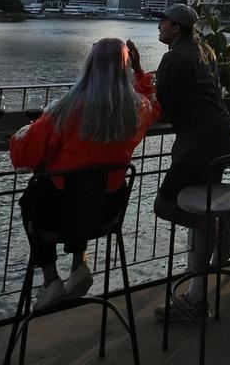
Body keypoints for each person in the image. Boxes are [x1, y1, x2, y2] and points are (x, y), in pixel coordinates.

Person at [10, 38, 159, 310]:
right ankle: (80, 263)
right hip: (106, 212)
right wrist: (139, 71)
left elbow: (24, 155)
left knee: (38, 196)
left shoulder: (67, 108)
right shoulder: (137, 110)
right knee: (84, 186)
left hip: (57, 213)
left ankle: (50, 279)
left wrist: (22, 134)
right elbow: (153, 103)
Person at [151, 3, 230, 321]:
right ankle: (195, 300)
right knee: (203, 203)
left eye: (163, 22)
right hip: (222, 135)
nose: (160, 26)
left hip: (197, 144)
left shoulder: (173, 57)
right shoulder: (207, 50)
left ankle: (217, 226)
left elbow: (162, 104)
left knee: (163, 205)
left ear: (176, 28)